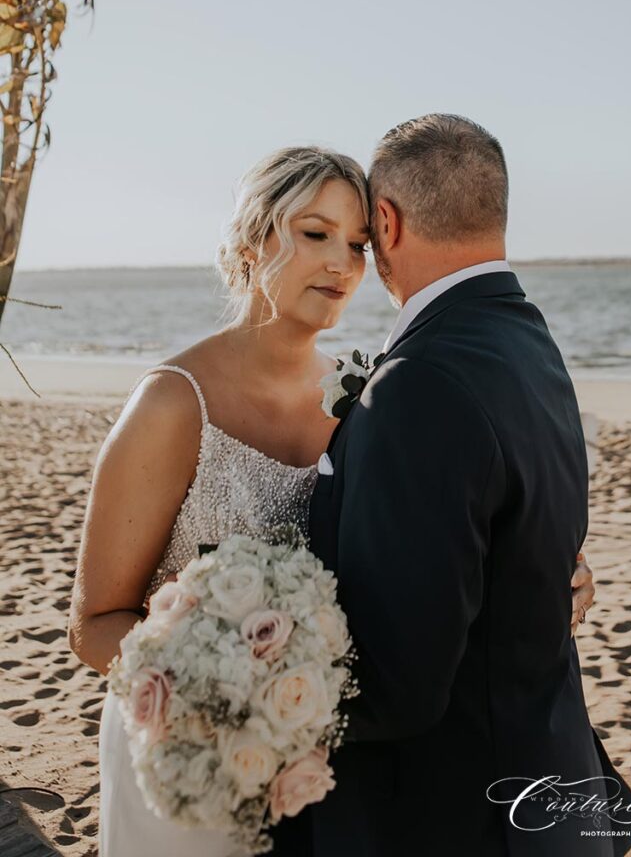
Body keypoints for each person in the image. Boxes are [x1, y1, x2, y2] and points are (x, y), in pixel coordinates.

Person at [68, 142, 595, 857]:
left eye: (358, 241)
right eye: (314, 234)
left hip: (313, 771)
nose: (343, 265)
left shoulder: (363, 395)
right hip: (185, 759)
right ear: (254, 240)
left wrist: (535, 568)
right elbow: (95, 622)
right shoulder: (171, 403)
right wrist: (227, 690)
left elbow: (421, 544)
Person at [287, 114, 631, 857]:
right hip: (544, 776)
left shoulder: (419, 382)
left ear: (384, 222)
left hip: (453, 817)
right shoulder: (526, 338)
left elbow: (401, 680)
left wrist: (265, 705)